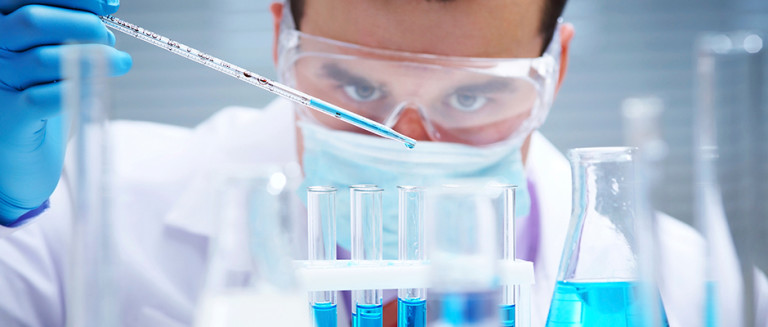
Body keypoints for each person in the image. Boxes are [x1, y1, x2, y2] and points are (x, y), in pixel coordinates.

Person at [0, 0, 752, 326]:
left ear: (554, 70)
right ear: (278, 46)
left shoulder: (693, 287)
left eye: (471, 97)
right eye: (357, 87)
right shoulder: (80, 204)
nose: (410, 142)